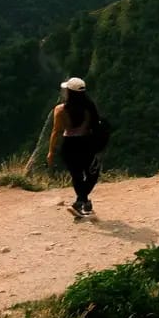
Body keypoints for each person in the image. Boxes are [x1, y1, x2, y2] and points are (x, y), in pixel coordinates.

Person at [47, 77, 105, 218]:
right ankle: (83, 201)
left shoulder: (60, 110)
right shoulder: (89, 107)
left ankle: (81, 201)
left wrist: (51, 152)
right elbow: (96, 127)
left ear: (69, 92)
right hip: (86, 143)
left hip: (69, 145)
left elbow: (56, 132)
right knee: (92, 173)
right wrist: (99, 146)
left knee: (76, 174)